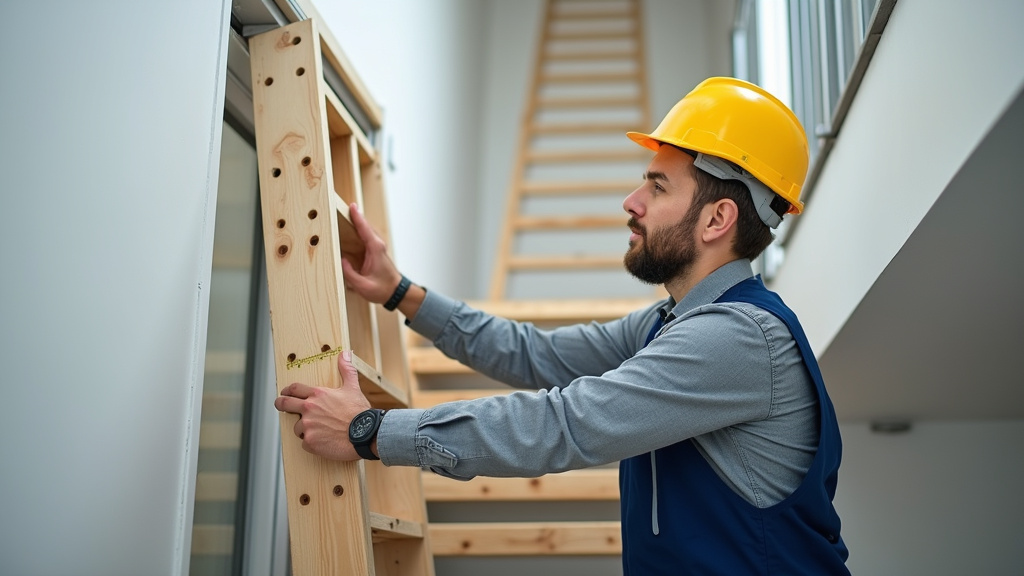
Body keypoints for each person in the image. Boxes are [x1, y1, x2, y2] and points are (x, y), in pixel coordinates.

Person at [274, 77, 850, 575]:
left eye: (657, 186)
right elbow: (536, 356)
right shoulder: (671, 325)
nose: (631, 201)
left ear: (717, 219)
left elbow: (560, 425)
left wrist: (368, 430)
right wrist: (402, 293)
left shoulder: (739, 339)